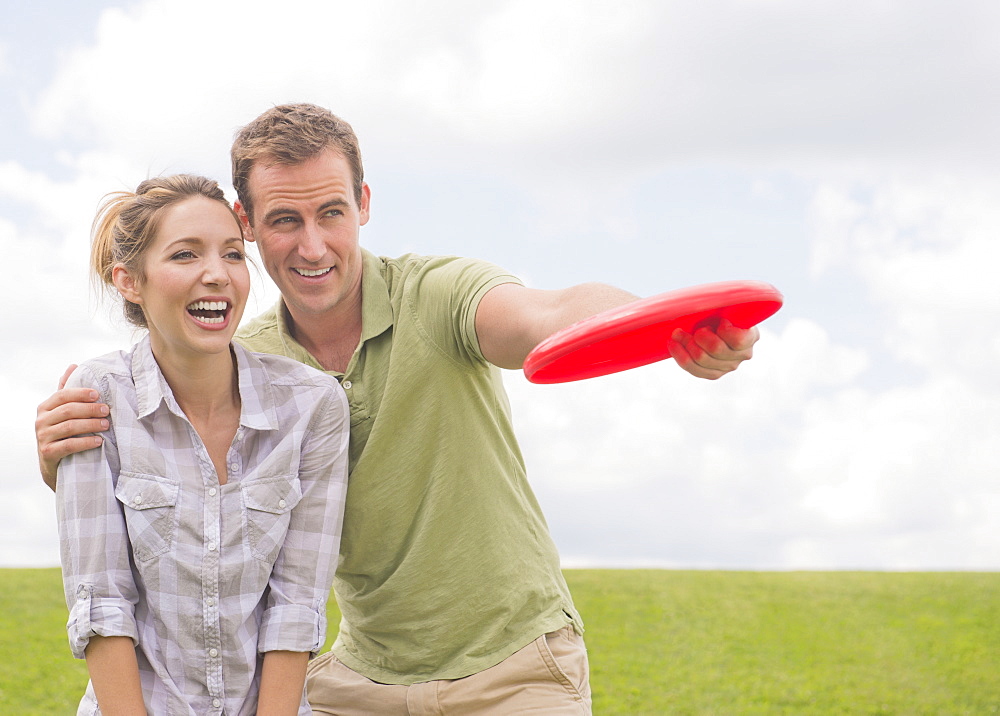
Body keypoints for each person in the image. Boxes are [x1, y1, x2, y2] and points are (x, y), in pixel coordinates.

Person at [37, 104, 759, 714]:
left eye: (333, 212)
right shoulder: (244, 364)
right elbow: (181, 501)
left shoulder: (438, 294)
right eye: (285, 219)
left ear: (366, 205)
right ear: (248, 224)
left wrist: (668, 329)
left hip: (516, 672)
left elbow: (553, 311)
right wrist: (62, 461)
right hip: (359, 684)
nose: (313, 244)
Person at [55, 174, 349, 715]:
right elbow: (102, 605)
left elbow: (295, 606)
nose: (217, 274)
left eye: (233, 255)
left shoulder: (312, 405)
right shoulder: (97, 396)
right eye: (186, 255)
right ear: (130, 281)